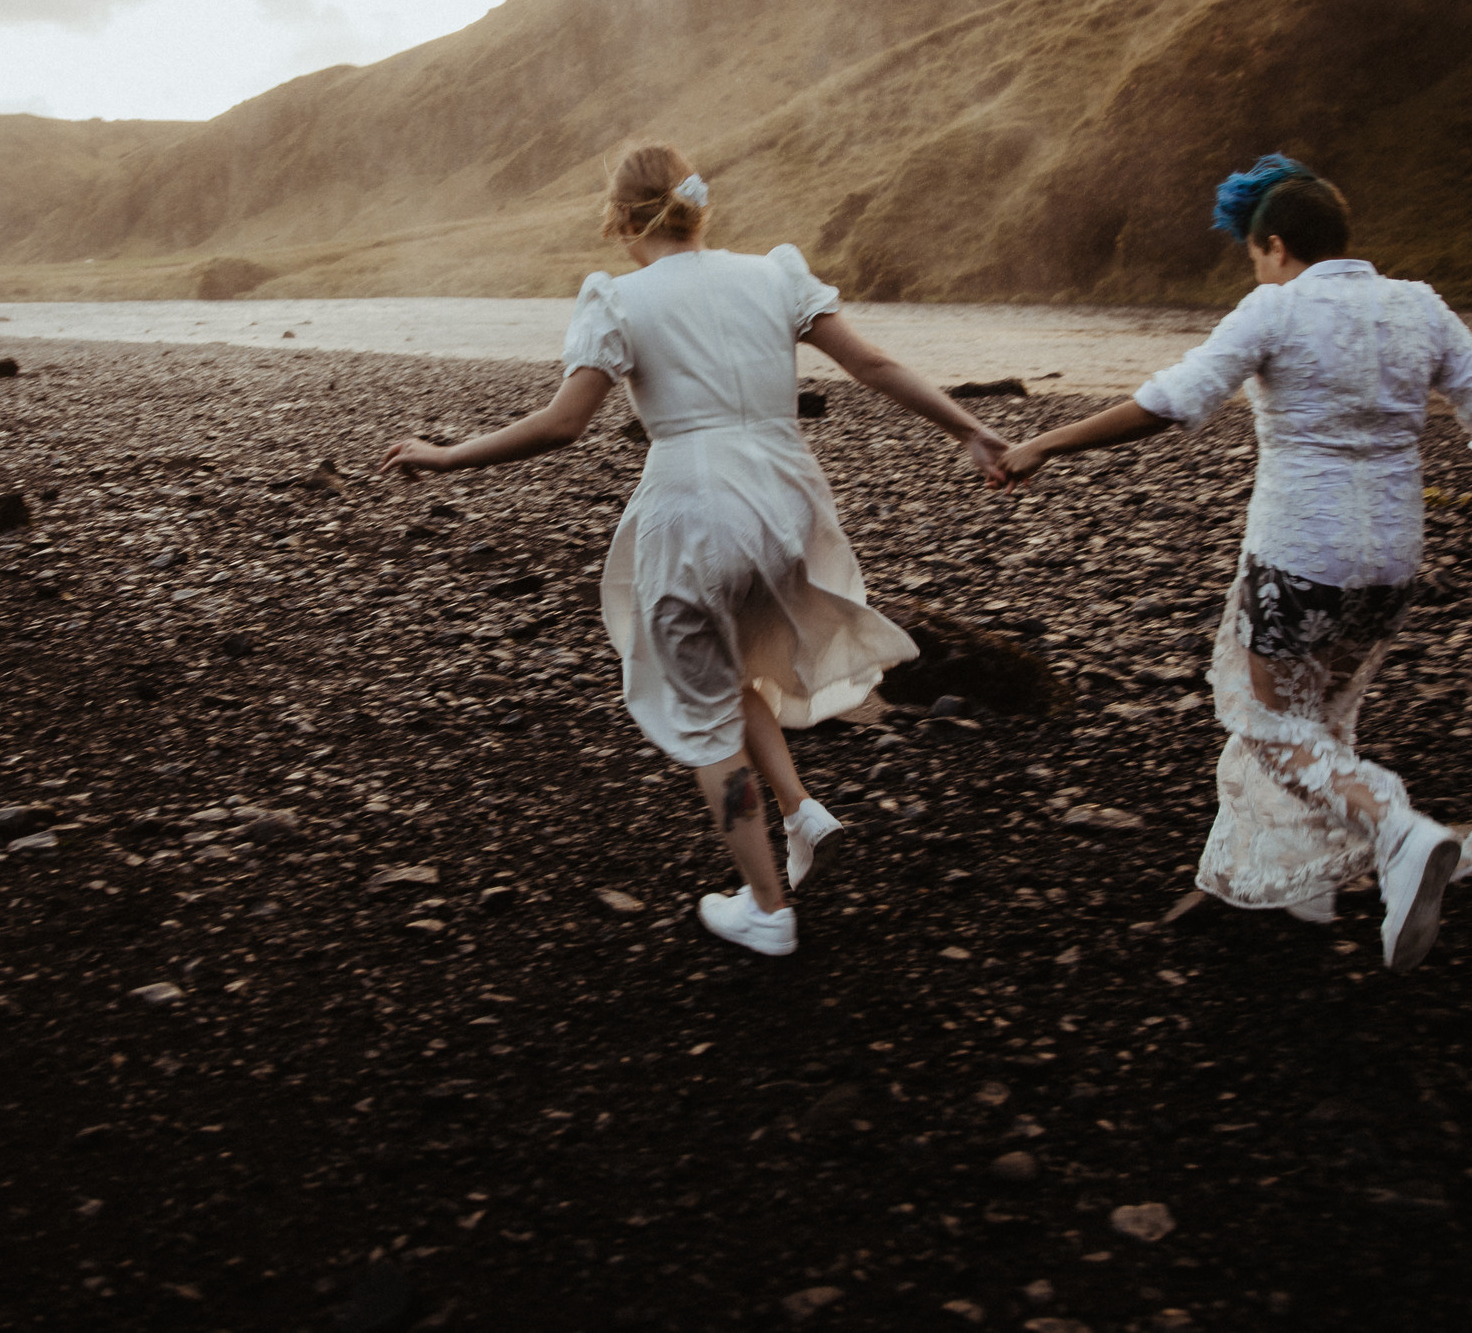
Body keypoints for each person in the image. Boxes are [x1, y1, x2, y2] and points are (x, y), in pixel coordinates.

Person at [997, 156, 1472, 972]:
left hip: (1302, 557)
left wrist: (1044, 443)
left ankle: (1401, 831)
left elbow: (1172, 400)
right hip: (1392, 563)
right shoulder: (1418, 306)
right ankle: (1286, 883)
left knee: (1270, 724)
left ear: (1274, 244)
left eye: (1255, 253)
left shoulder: (1277, 306)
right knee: (1322, 723)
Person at [381, 144, 1010, 956]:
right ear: (696, 207)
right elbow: (874, 362)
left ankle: (767, 909)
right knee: (733, 659)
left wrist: (448, 452)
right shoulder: (774, 274)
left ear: (617, 219)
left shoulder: (616, 297)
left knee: (703, 714)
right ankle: (800, 811)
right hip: (786, 503)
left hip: (695, 510)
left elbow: (564, 423)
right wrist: (969, 428)